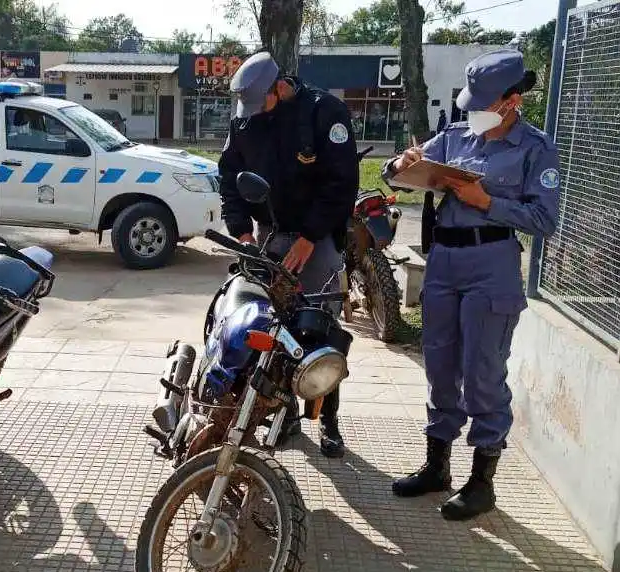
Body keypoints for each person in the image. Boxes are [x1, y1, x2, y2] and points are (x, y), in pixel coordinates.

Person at [382, 49, 560, 520]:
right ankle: (436, 466)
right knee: (439, 365)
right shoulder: (458, 135)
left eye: (485, 102)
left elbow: (544, 219)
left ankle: (482, 482)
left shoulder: (535, 147)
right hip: (444, 261)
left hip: (492, 263)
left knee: (482, 372)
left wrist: (486, 202)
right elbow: (399, 174)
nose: (474, 110)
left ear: (512, 100)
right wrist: (402, 165)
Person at [219, 51, 359, 458]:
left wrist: (310, 237)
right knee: (270, 333)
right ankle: (285, 414)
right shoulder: (246, 119)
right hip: (269, 236)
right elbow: (230, 176)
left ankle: (329, 420)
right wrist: (242, 234)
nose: (254, 113)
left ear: (279, 87)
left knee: (320, 333)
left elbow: (341, 183)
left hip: (316, 240)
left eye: (261, 102)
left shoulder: (323, 112)